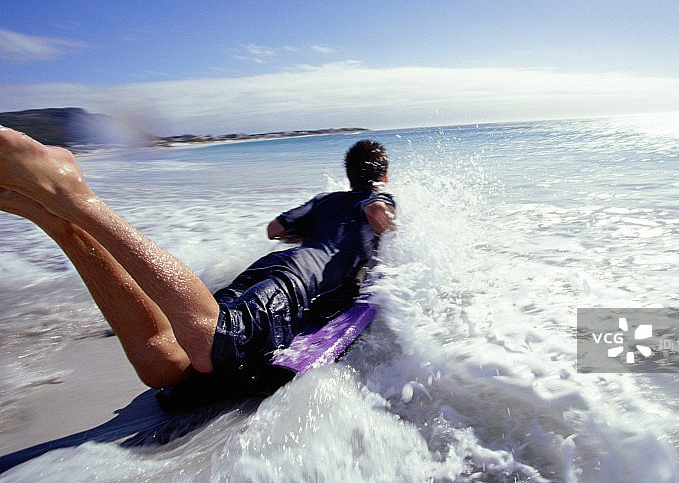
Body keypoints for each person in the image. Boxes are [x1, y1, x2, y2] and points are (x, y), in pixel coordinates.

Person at [0, 127, 395, 389]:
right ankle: (70, 193)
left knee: (164, 366)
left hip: (270, 271)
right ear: (384, 176)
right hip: (295, 286)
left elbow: (275, 229)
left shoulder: (326, 200)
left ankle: (58, 222)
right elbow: (378, 212)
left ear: (348, 173)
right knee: (212, 344)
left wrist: (311, 230)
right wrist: (385, 225)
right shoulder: (377, 197)